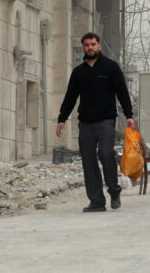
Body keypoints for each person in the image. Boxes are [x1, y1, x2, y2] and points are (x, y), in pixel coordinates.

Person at [56, 32, 135, 213]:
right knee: (88, 161)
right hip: (86, 123)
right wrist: (62, 118)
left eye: (93, 44)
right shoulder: (78, 72)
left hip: (106, 121)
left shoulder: (111, 68)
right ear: (83, 48)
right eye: (86, 45)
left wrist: (129, 115)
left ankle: (114, 190)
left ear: (99, 46)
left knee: (106, 153)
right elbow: (70, 97)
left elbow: (122, 92)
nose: (90, 47)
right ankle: (97, 201)